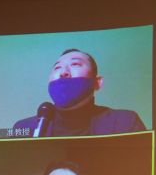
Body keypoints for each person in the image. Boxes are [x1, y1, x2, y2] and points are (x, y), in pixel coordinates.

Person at [13, 49, 146, 137]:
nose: (63, 72)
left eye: (75, 64)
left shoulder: (125, 122)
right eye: (57, 67)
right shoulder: (24, 128)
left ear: (97, 82)